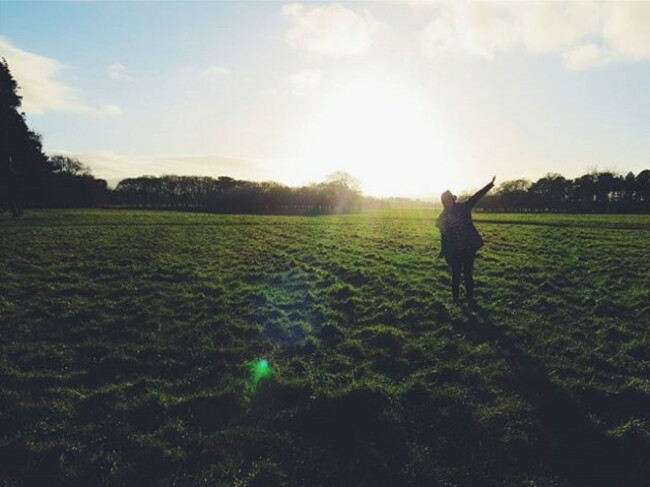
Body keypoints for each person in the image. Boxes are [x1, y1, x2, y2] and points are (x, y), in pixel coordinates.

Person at [436, 176, 495, 303]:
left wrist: (490, 185)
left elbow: (476, 197)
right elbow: (444, 236)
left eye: (449, 199)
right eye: (445, 200)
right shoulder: (443, 218)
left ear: (452, 198)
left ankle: (470, 298)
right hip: (454, 252)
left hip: (468, 249)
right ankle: (455, 300)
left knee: (468, 275)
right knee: (455, 276)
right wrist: (442, 251)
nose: (447, 202)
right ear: (443, 202)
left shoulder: (464, 207)